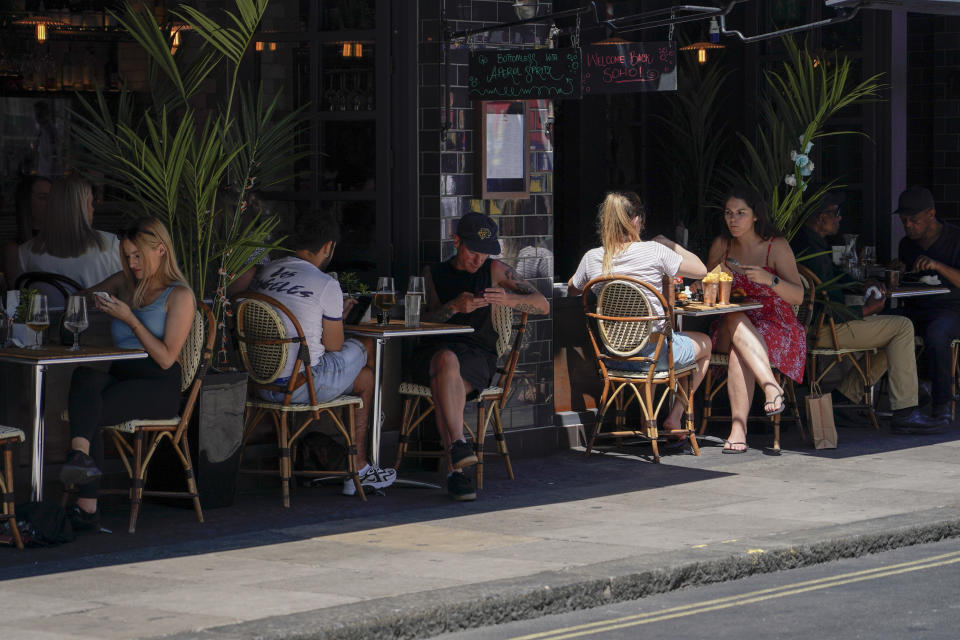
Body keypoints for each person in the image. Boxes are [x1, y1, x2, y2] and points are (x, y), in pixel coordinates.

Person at [58, 218, 197, 531]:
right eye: (127, 256)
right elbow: (77, 299)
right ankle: (79, 457)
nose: (132, 263)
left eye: (138, 256)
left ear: (161, 250)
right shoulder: (124, 282)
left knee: (89, 410)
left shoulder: (179, 296)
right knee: (84, 377)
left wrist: (129, 318)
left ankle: (87, 506)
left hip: (156, 385)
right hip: (121, 374)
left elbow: (165, 358)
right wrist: (90, 302)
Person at [247, 211, 396, 495]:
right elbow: (334, 347)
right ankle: (360, 465)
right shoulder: (325, 283)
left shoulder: (265, 272)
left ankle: (356, 465)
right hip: (302, 386)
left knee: (363, 378)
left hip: (260, 385)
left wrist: (330, 316)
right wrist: (337, 316)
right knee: (365, 345)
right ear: (328, 247)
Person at [413, 212, 549, 501]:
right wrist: (453, 307)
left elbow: (542, 304)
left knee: (444, 385)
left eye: (485, 253)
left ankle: (456, 467)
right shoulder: (434, 274)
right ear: (456, 241)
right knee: (445, 361)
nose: (478, 260)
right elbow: (423, 322)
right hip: (436, 349)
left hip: (477, 355)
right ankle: (459, 452)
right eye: (473, 251)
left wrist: (509, 299)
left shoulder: (496, 270)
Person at [793, 193, 943, 432]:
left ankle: (846, 398)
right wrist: (865, 309)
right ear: (822, 218)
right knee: (902, 327)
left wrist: (863, 282)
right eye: (836, 213)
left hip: (817, 327)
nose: (840, 219)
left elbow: (836, 278)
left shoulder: (811, 244)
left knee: (897, 336)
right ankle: (905, 413)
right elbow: (828, 309)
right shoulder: (813, 252)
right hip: (820, 330)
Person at [567, 191, 713, 436]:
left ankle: (649, 422)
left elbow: (573, 290)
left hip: (612, 356)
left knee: (652, 341)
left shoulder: (592, 258)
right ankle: (675, 417)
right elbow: (701, 270)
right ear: (635, 221)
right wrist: (668, 243)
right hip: (651, 355)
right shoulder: (654, 251)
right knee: (704, 344)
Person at [705, 185, 806, 453]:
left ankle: (738, 430)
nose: (733, 219)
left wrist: (769, 280)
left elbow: (798, 296)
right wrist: (713, 278)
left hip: (777, 326)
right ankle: (770, 386)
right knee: (735, 316)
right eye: (729, 213)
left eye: (741, 213)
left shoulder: (775, 247)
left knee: (740, 350)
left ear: (755, 216)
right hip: (728, 324)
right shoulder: (722, 246)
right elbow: (706, 287)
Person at [894, 186, 960, 422]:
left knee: (937, 335)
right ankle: (907, 398)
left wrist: (937, 265)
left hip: (950, 310)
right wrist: (898, 272)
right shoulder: (907, 244)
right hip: (916, 307)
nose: (908, 225)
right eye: (904, 221)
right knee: (888, 325)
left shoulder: (955, 239)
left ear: (931, 215)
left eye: (914, 220)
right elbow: (907, 280)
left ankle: (942, 403)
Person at [13, 175, 122, 289]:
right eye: (90, 203)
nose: (93, 209)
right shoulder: (112, 244)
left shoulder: (24, 252)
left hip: (44, 307)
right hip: (95, 307)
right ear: (81, 208)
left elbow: (22, 299)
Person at [3, 174, 51, 289]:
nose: (51, 203)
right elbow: (17, 295)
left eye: (53, 197)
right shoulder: (15, 249)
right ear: (26, 202)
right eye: (43, 197)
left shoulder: (66, 240)